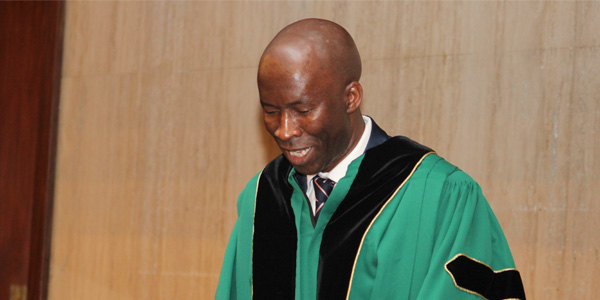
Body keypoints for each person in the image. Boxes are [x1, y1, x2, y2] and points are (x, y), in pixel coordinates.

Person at [215, 18, 525, 300]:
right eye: (271, 111)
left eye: (303, 111)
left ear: (351, 98)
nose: (284, 131)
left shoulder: (439, 195)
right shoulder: (262, 198)